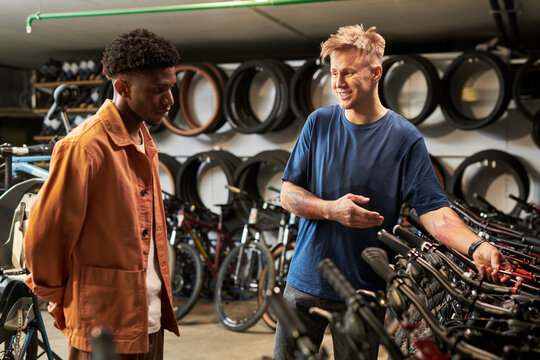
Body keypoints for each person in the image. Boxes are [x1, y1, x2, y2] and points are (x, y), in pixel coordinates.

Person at [273, 24, 512, 360]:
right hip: (303, 282)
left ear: (375, 73)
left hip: (364, 291)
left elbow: (434, 212)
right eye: (334, 73)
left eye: (349, 73)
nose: (338, 83)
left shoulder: (404, 138)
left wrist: (476, 246)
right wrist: (331, 210)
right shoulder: (318, 123)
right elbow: (288, 194)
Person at [24, 28, 180, 360]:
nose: (169, 100)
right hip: (103, 327)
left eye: (171, 88)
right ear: (122, 87)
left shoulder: (144, 142)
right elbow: (45, 238)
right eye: (159, 90)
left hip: (148, 319)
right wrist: (65, 301)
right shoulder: (84, 147)